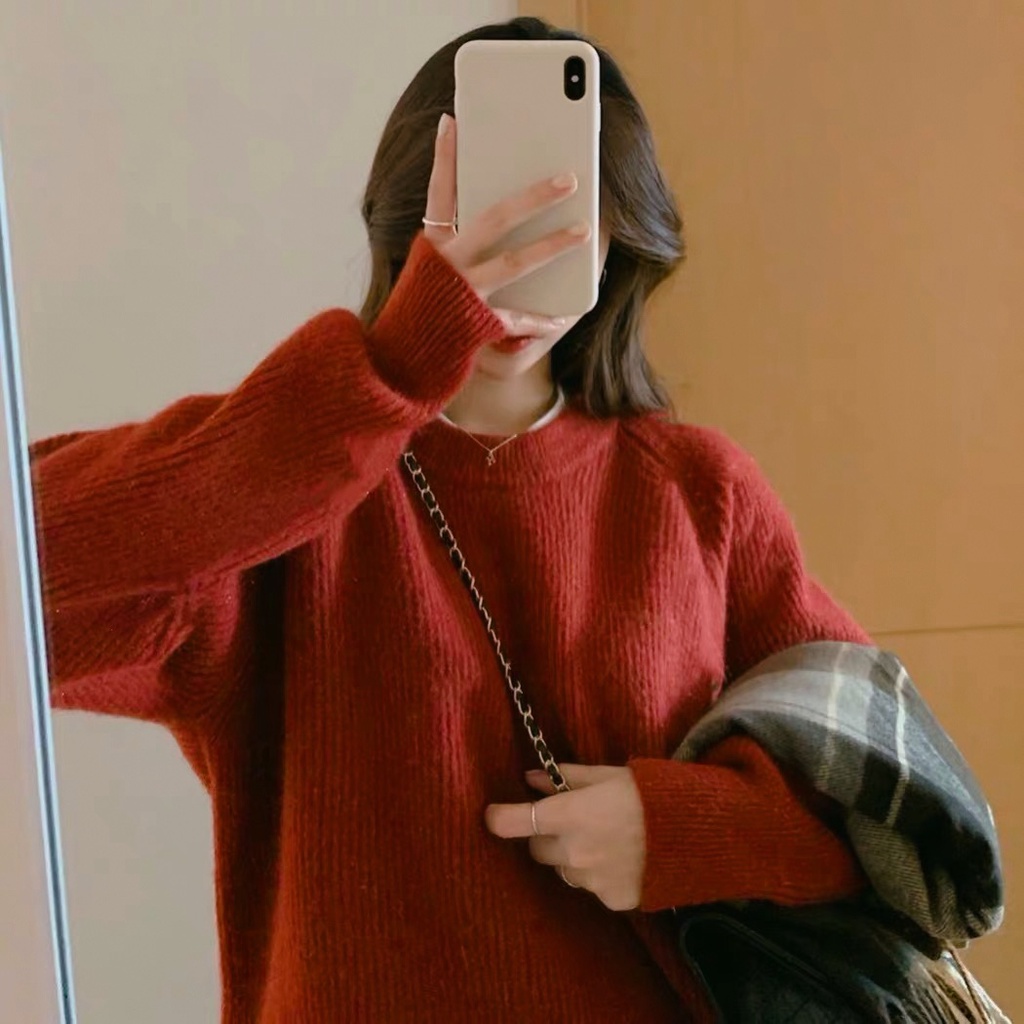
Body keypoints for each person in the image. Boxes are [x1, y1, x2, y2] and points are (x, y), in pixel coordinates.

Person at [32, 16, 871, 1024]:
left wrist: (679, 830)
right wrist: (395, 363)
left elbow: (883, 814)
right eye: (479, 211)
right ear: (408, 224)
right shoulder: (278, 490)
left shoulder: (698, 492)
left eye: (566, 212)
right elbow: (28, 572)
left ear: (619, 237)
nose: (520, 248)